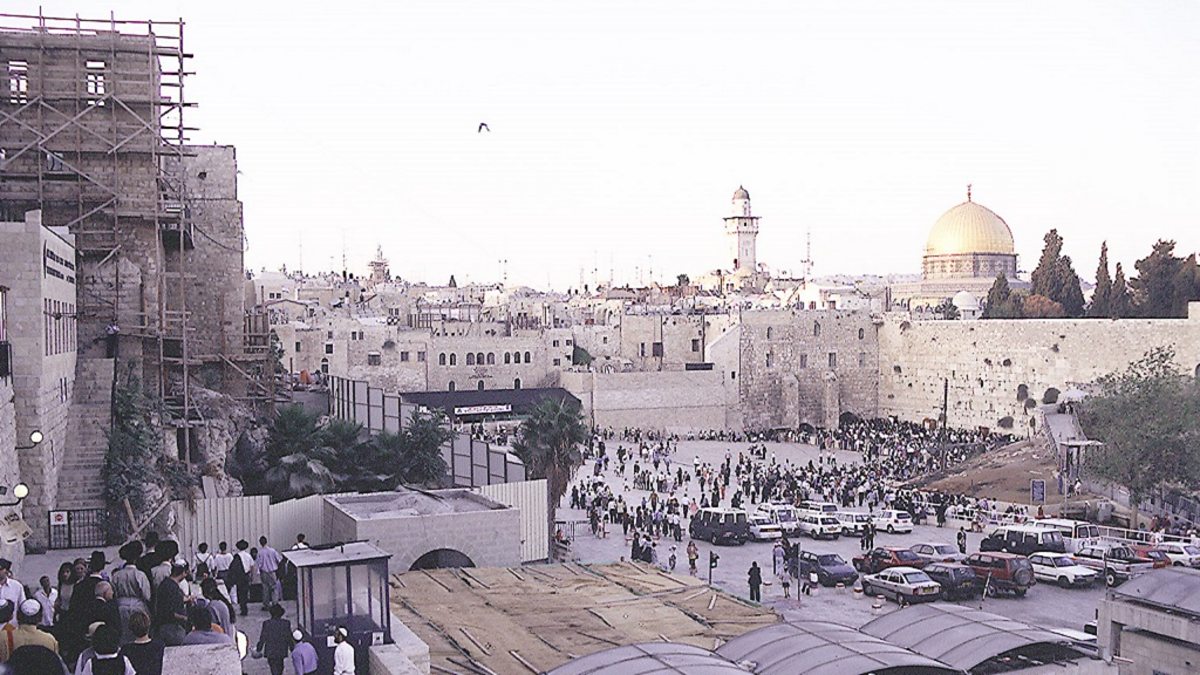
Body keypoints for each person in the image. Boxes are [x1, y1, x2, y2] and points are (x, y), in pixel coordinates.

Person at [111, 542, 151, 644]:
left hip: (120, 607)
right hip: (138, 606)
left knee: (124, 635)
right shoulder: (140, 575)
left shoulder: (116, 575)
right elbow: (147, 595)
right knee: (138, 633)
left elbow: (113, 593)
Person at [152, 564, 188, 645]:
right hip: (172, 628)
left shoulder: (165, 584)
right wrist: (185, 618)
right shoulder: (172, 588)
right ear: (183, 573)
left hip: (163, 626)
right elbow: (170, 612)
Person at [257, 604, 293, 675]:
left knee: (273, 667)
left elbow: (263, 637)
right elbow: (289, 637)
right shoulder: (286, 623)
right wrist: (292, 648)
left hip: (270, 650)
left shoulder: (267, 623)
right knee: (280, 666)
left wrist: (259, 648)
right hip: (281, 650)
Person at [256, 536, 283, 609]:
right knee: (274, 588)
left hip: (264, 572)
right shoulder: (272, 551)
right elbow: (279, 559)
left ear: (260, 543)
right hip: (272, 571)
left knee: (265, 588)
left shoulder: (260, 552)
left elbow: (258, 563)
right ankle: (275, 603)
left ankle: (266, 604)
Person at [229, 541, 253, 616]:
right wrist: (251, 576)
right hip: (246, 575)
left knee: (240, 592)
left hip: (240, 576)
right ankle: (245, 607)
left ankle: (243, 608)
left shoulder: (237, 556)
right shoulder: (248, 555)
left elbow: (233, 568)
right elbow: (252, 566)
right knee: (245, 592)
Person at [0, 559, 26, 628]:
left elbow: (22, 606)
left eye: (0, 569)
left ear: (6, 571)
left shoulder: (16, 586)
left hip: (12, 627)